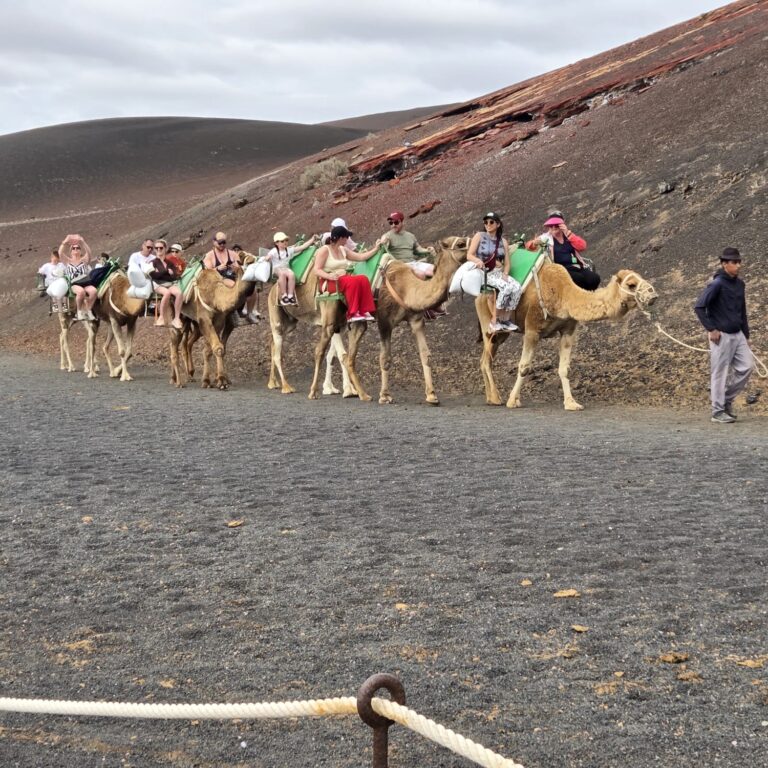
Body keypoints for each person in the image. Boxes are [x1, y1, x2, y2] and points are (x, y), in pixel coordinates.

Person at [694, 247, 754, 423]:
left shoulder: (740, 284)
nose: (738, 265)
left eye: (739, 262)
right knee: (719, 373)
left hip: (738, 334)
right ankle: (718, 411)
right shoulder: (717, 284)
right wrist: (711, 329)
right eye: (734, 262)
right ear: (724, 264)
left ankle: (725, 399)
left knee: (747, 367)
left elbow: (742, 310)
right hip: (721, 336)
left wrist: (746, 336)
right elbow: (699, 307)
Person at [313, 225, 381, 322]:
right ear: (341, 238)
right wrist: (329, 276)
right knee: (351, 281)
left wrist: (376, 249)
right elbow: (316, 270)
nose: (348, 239)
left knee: (363, 279)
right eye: (347, 237)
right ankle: (353, 313)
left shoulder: (343, 249)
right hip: (329, 282)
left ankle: (365, 310)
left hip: (343, 279)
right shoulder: (325, 250)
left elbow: (361, 257)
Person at [467, 212, 522, 333]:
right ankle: (494, 320)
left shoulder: (503, 241)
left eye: (491, 222)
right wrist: (478, 261)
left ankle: (505, 320)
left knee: (517, 287)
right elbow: (469, 255)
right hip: (485, 273)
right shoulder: (479, 236)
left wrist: (505, 274)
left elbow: (507, 263)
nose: (488, 224)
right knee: (507, 288)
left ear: (498, 224)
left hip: (498, 273)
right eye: (486, 222)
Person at [528, 215, 600, 291]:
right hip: (561, 270)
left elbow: (582, 246)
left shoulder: (568, 235)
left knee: (594, 278)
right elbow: (529, 246)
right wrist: (534, 244)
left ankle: (587, 295)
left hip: (577, 266)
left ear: (561, 225)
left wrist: (568, 233)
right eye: (551, 225)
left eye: (556, 225)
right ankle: (583, 295)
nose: (553, 227)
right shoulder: (545, 238)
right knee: (579, 279)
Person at [266, 231, 317, 306]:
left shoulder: (289, 250)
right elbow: (268, 256)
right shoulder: (274, 251)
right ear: (277, 243)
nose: (285, 242)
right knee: (282, 274)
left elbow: (302, 247)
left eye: (286, 240)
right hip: (277, 268)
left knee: (291, 274)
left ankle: (290, 295)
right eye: (282, 241)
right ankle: (284, 295)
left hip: (286, 268)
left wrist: (312, 240)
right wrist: (267, 258)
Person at [380, 211, 435, 276]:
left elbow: (418, 249)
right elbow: (383, 241)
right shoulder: (388, 236)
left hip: (414, 263)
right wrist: (383, 240)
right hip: (402, 265)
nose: (393, 225)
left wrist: (428, 250)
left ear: (402, 222)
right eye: (391, 223)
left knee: (435, 270)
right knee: (421, 274)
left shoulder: (411, 236)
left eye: (396, 222)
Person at [59, 234, 96, 320]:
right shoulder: (68, 261)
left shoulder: (84, 260)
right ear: (71, 251)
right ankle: (79, 312)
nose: (76, 249)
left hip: (85, 282)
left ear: (80, 250)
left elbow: (89, 253)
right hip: (74, 283)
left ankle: (88, 310)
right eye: (73, 248)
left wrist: (82, 242)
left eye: (78, 248)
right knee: (81, 292)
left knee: (93, 291)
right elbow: (60, 253)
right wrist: (65, 242)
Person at [149, 239, 184, 329]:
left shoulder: (169, 263)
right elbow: (154, 276)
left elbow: (174, 276)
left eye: (161, 248)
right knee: (167, 293)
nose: (158, 249)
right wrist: (166, 272)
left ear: (165, 248)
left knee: (179, 293)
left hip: (168, 283)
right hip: (157, 284)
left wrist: (163, 273)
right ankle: (161, 317)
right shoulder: (153, 262)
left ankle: (176, 318)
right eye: (156, 248)